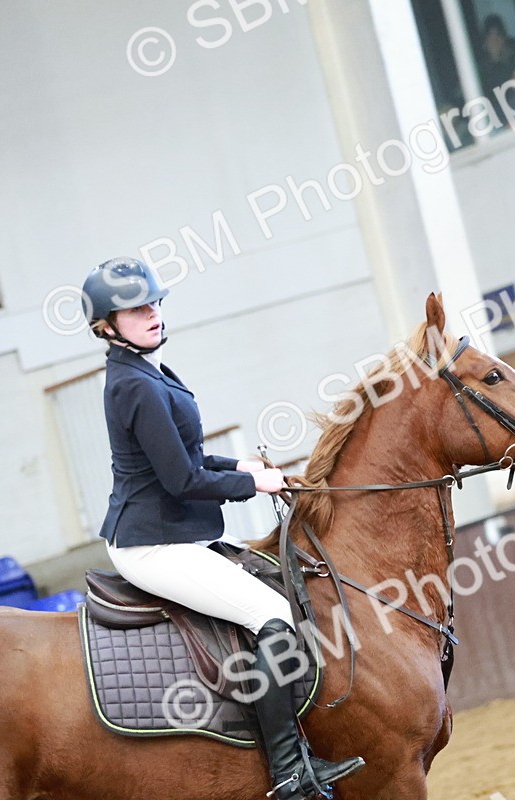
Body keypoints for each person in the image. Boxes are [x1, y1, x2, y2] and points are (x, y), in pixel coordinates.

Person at [81, 257, 364, 800]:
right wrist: (253, 487)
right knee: (273, 615)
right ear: (106, 325)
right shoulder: (134, 385)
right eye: (137, 309)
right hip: (151, 544)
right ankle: (287, 772)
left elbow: (189, 454)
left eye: (155, 303)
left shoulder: (146, 370)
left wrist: (244, 469)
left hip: (170, 531)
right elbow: (183, 478)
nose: (153, 314)